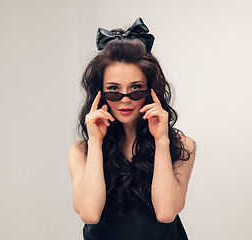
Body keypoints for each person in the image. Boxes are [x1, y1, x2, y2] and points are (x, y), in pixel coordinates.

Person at [68, 17, 196, 240]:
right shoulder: (81, 151)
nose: (125, 100)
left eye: (135, 88)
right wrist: (96, 142)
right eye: (114, 90)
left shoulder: (182, 146)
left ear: (151, 91)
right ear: (99, 93)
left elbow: (166, 213)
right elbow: (89, 214)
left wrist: (161, 141)